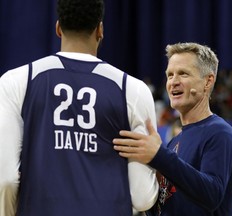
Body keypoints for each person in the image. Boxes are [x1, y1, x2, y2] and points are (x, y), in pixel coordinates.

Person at [0, 0, 159, 215]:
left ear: (58, 28)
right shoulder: (133, 89)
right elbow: (142, 198)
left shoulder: (17, 81)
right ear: (100, 30)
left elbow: (6, 179)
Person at [113, 42, 232, 215]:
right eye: (170, 75)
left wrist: (159, 156)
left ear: (208, 81)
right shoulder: (173, 142)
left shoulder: (219, 132)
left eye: (183, 74)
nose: (173, 82)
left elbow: (212, 195)